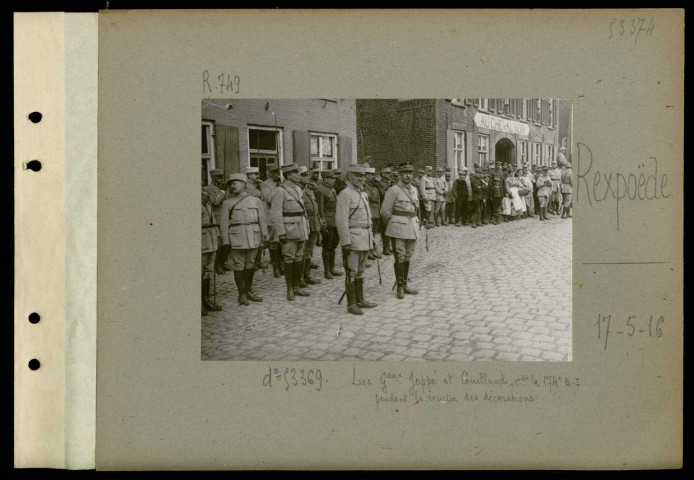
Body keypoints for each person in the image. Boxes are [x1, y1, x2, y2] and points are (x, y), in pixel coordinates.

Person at [220, 173, 268, 305]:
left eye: (235, 183)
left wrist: (265, 236)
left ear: (243, 184)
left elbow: (262, 220)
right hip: (236, 237)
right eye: (230, 184)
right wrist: (225, 242)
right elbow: (223, 225)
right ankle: (241, 294)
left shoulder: (255, 201)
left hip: (254, 236)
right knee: (239, 266)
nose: (232, 186)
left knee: (250, 265)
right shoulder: (227, 203)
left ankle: (249, 291)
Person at [336, 164, 377, 315]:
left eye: (362, 175)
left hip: (365, 237)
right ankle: (351, 303)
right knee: (351, 271)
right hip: (353, 239)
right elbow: (341, 220)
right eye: (357, 175)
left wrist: (372, 239)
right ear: (349, 176)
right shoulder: (345, 194)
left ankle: (360, 300)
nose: (361, 178)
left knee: (360, 270)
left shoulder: (362, 194)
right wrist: (345, 241)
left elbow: (368, 219)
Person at [271, 163, 311, 301]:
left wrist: (307, 226)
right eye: (295, 173)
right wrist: (281, 232)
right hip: (288, 229)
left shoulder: (298, 189)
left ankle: (297, 287)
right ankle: (289, 289)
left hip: (301, 227)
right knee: (289, 258)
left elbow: (303, 210)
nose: (298, 175)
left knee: (299, 257)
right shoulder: (280, 190)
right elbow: (276, 214)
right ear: (288, 175)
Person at [381, 163, 420, 299]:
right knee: (400, 256)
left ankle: (405, 285)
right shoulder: (393, 190)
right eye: (405, 173)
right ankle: (400, 287)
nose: (408, 175)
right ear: (400, 174)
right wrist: (393, 225)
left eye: (410, 173)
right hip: (398, 228)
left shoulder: (414, 190)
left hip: (412, 227)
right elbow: (385, 212)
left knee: (408, 255)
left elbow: (416, 209)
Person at [316, 169, 344, 279]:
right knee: (327, 246)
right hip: (327, 222)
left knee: (333, 245)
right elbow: (320, 209)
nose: (334, 180)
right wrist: (323, 224)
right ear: (325, 179)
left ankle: (332, 268)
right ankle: (327, 270)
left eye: (334, 178)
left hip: (335, 221)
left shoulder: (332, 189)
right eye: (332, 178)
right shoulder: (321, 191)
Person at [299, 166, 322, 286]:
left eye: (308, 175)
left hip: (313, 224)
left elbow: (315, 207)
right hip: (302, 224)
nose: (308, 177)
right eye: (304, 175)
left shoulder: (309, 190)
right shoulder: (297, 191)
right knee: (301, 252)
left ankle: (306, 275)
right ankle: (299, 278)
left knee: (308, 251)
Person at [201, 187, 223, 316]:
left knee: (208, 272)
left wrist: (218, 236)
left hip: (211, 241)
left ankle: (206, 300)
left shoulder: (208, 204)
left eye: (205, 193)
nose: (204, 195)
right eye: (202, 194)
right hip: (201, 242)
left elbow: (213, 220)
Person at [260, 162, 284, 278]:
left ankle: (281, 265)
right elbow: (268, 199)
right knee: (274, 243)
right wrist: (278, 189)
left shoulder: (281, 183)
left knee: (282, 242)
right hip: (271, 217)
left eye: (278, 172)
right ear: (269, 173)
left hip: (282, 216)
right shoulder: (265, 184)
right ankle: (275, 267)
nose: (278, 174)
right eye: (275, 172)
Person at [204, 169, 228, 274]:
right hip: (217, 219)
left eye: (221, 177)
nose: (221, 179)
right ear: (213, 178)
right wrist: (222, 191)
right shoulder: (208, 189)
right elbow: (215, 202)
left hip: (226, 218)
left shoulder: (221, 188)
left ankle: (223, 263)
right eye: (219, 177)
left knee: (226, 243)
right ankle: (217, 265)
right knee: (219, 244)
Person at [363, 164, 383, 260]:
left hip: (376, 211)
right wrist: (375, 188)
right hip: (370, 211)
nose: (372, 176)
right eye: (370, 174)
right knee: (370, 233)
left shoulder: (373, 185)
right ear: (366, 175)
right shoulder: (365, 185)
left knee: (374, 233)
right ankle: (368, 253)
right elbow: (372, 197)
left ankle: (373, 250)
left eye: (373, 174)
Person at [377, 167, 394, 255]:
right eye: (387, 173)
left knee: (390, 228)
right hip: (384, 208)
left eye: (390, 173)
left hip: (390, 208)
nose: (389, 174)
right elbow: (383, 194)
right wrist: (391, 190)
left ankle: (388, 246)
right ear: (383, 174)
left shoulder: (390, 182)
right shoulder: (381, 183)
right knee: (385, 229)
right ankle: (385, 248)